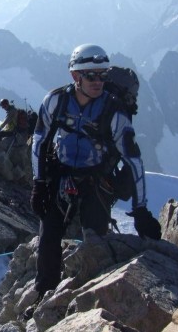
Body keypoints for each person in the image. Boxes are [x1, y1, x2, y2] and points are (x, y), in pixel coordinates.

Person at [29, 43, 161, 298]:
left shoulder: (114, 112)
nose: (99, 81)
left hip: (96, 180)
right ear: (75, 76)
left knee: (96, 241)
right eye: (91, 75)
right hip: (60, 173)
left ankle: (93, 297)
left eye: (103, 74)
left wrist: (140, 211)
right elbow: (39, 141)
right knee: (49, 236)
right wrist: (40, 183)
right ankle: (44, 296)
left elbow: (134, 161)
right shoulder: (55, 100)